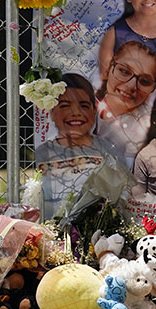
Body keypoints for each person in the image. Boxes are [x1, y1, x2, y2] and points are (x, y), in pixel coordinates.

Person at [35, 73, 114, 216]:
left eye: (84, 106)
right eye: (65, 106)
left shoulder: (107, 150)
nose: (76, 113)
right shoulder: (42, 153)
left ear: (94, 109)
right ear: (52, 112)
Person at [97, 41, 156, 169]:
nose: (131, 86)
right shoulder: (80, 103)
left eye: (144, 81)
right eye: (125, 71)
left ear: (152, 90)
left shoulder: (149, 132)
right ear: (109, 68)